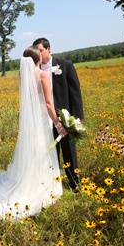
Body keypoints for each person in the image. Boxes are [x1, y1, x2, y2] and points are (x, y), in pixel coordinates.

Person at [0, 46, 64, 224]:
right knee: (41, 153)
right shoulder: (43, 75)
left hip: (29, 122)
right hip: (40, 120)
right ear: (38, 58)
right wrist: (57, 123)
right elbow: (48, 103)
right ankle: (39, 186)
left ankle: (29, 180)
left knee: (32, 152)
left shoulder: (23, 75)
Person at [33, 38, 84, 191]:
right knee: (50, 152)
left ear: (49, 49)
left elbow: (75, 93)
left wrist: (77, 118)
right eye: (36, 51)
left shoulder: (65, 65)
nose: (39, 54)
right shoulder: (35, 71)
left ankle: (75, 184)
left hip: (65, 116)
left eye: (41, 50)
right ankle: (51, 184)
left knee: (69, 150)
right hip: (45, 118)